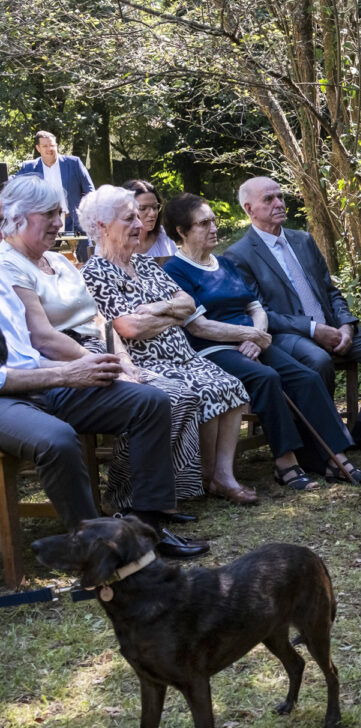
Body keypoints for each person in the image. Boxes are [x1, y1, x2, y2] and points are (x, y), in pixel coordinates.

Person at [0, 181, 206, 559]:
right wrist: (87, 365)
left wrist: (124, 363)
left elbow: (99, 318)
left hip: (71, 362)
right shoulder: (7, 265)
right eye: (48, 215)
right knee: (61, 436)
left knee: (150, 400)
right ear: (17, 217)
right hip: (58, 365)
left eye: (60, 214)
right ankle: (98, 546)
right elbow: (42, 338)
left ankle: (147, 527)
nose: (58, 223)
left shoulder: (59, 261)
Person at [161, 192, 361, 488]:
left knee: (306, 377)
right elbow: (198, 326)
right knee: (266, 377)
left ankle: (334, 456)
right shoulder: (174, 271)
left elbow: (255, 307)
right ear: (182, 232)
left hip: (253, 339)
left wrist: (258, 336)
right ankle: (285, 462)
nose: (213, 228)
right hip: (213, 350)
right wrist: (248, 334)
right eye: (203, 223)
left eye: (213, 220)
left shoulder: (224, 263)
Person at [78, 185, 257, 505]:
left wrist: (158, 310)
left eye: (138, 216)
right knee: (204, 389)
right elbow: (128, 328)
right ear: (102, 226)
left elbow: (188, 304)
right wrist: (169, 315)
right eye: (129, 218)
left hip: (183, 355)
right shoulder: (97, 271)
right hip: (145, 361)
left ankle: (222, 475)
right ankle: (195, 479)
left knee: (228, 385)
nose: (139, 224)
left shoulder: (145, 264)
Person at [225, 177, 361, 456]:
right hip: (288, 337)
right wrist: (311, 329)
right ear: (249, 209)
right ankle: (324, 443)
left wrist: (346, 324)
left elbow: (330, 290)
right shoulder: (238, 255)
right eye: (269, 199)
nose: (279, 203)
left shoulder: (303, 240)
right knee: (318, 361)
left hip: (333, 328)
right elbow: (261, 313)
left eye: (280, 196)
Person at [16, 131, 95, 261]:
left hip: (76, 219)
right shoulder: (29, 167)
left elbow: (90, 189)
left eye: (52, 145)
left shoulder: (73, 163)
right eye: (45, 146)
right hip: (47, 222)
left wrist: (89, 209)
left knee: (87, 257)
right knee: (45, 260)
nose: (49, 149)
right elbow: (13, 184)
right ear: (38, 148)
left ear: (56, 145)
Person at [123, 179, 178, 264]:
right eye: (143, 208)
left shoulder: (163, 235)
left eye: (155, 207)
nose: (152, 213)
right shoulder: (110, 242)